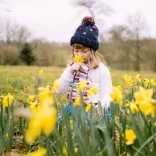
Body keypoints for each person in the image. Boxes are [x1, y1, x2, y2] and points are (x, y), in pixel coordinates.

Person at [56, 16, 112, 127]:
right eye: (76, 51)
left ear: (92, 51)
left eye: (84, 51)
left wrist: (100, 107)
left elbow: (107, 93)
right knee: (62, 124)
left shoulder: (101, 70)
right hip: (75, 107)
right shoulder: (71, 68)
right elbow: (59, 90)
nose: (79, 55)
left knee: (89, 125)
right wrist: (70, 72)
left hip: (95, 107)